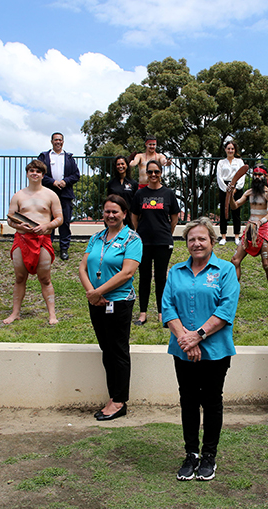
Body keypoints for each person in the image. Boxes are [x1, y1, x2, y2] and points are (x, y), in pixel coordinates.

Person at [161, 217, 240, 481]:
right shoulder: (175, 272)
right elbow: (168, 307)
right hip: (182, 349)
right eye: (191, 239)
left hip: (215, 350)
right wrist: (185, 339)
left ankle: (209, 455)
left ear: (212, 241)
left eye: (202, 238)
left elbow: (226, 310)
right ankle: (191, 453)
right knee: (189, 402)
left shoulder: (226, 270)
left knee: (212, 402)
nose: (196, 243)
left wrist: (198, 336)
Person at [78, 195, 142, 421]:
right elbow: (83, 267)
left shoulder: (132, 239)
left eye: (115, 211)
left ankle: (119, 400)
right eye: (107, 211)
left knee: (118, 350)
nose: (111, 215)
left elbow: (127, 273)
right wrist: (91, 294)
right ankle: (112, 395)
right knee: (106, 349)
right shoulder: (96, 237)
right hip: (96, 302)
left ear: (124, 214)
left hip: (119, 301)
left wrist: (99, 292)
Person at [4, 159, 64, 325]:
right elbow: (10, 219)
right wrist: (18, 225)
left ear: (43, 175)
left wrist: (47, 226)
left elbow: (59, 218)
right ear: (27, 173)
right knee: (20, 277)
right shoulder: (19, 195)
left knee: (45, 278)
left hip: (42, 238)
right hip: (22, 238)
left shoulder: (51, 195)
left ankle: (52, 315)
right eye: (31, 171)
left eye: (38, 171)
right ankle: (15, 313)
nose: (34, 174)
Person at [130, 160, 179, 326]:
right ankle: (142, 314)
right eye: (150, 172)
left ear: (161, 173)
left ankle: (161, 313)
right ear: (146, 173)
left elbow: (174, 218)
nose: (153, 175)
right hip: (143, 243)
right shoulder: (139, 194)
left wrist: (166, 234)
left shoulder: (168, 194)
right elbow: (134, 216)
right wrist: (138, 233)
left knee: (161, 278)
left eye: (156, 172)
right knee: (144, 277)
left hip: (163, 242)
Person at [230, 164, 268, 300]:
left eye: (259, 175)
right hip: (250, 230)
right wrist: (230, 195)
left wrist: (259, 222)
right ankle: (234, 291)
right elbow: (235, 206)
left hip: (262, 230)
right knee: (235, 260)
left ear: (265, 177)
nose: (257, 177)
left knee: (266, 264)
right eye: (255, 175)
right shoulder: (249, 192)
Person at [39, 132, 81, 261]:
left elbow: (76, 175)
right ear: (51, 141)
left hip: (65, 194)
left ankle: (64, 249)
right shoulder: (44, 156)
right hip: (48, 193)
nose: (58, 142)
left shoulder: (69, 158)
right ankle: (47, 247)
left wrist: (65, 181)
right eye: (56, 140)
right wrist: (53, 182)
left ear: (63, 142)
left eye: (60, 140)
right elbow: (39, 172)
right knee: (48, 221)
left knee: (65, 221)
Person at [216, 141, 245, 245]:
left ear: (235, 150)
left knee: (236, 212)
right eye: (228, 148)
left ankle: (237, 236)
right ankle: (223, 236)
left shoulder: (239, 161)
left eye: (232, 149)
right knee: (224, 212)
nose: (230, 150)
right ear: (225, 150)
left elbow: (242, 176)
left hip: (236, 187)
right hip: (224, 187)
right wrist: (226, 189)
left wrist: (236, 188)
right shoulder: (221, 162)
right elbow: (219, 177)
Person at [107, 155, 138, 229]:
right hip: (115, 217)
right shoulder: (111, 183)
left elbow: (136, 202)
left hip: (129, 217)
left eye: (122, 164)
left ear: (127, 165)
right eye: (118, 164)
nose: (120, 166)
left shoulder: (133, 183)